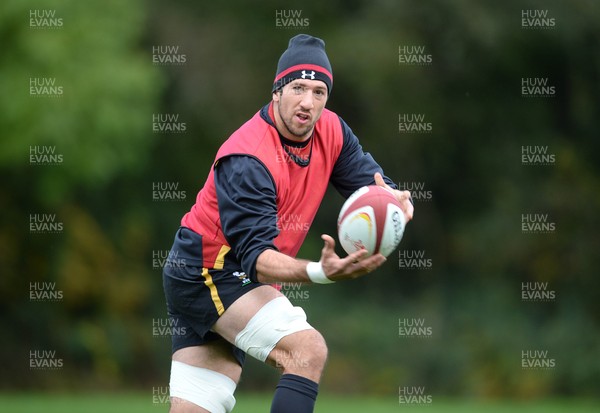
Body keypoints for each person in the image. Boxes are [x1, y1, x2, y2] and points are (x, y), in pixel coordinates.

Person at [162, 34, 414, 413]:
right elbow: (257, 260)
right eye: (298, 88)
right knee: (307, 351)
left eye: (318, 91)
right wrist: (321, 272)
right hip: (210, 272)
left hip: (215, 274)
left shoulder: (332, 131)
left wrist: (394, 201)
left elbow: (371, 186)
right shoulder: (248, 158)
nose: (308, 103)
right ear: (276, 91)